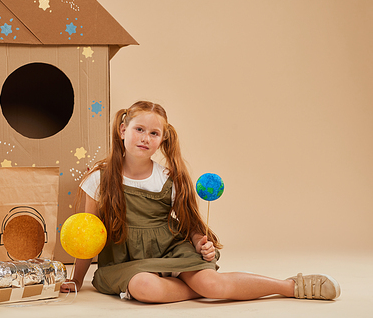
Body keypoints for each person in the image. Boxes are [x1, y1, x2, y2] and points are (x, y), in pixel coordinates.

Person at [60, 100, 340, 303]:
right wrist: (76, 279)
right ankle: (207, 290)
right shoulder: (100, 178)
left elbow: (190, 224)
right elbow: (88, 236)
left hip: (170, 250)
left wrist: (197, 241)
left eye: (154, 133)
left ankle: (290, 286)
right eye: (139, 129)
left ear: (162, 140)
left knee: (212, 282)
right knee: (145, 288)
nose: (145, 138)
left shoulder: (169, 178)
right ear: (123, 130)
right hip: (125, 261)